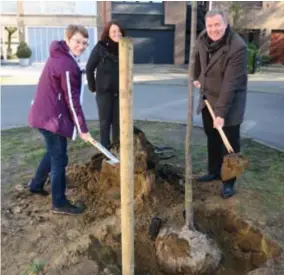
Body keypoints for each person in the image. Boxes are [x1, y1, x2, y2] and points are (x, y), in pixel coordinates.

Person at [28, 24, 94, 215]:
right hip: (51, 119)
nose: (81, 46)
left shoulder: (61, 56)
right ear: (68, 39)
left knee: (53, 152)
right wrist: (82, 128)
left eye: (84, 43)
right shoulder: (65, 64)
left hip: (45, 115)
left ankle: (36, 184)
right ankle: (59, 202)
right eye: (77, 41)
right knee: (59, 158)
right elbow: (71, 101)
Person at [193, 9, 248, 198]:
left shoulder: (237, 47)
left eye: (217, 25)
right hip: (208, 96)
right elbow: (198, 57)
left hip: (230, 101)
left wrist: (221, 113)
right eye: (210, 25)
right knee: (212, 136)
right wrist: (196, 76)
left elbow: (230, 84)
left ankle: (229, 181)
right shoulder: (203, 37)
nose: (213, 29)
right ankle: (214, 171)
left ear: (225, 24)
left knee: (230, 142)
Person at [86, 21, 125, 149]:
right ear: (108, 33)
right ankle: (106, 151)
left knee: (118, 123)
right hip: (104, 92)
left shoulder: (125, 47)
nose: (117, 33)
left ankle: (117, 148)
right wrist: (93, 88)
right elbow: (89, 68)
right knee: (105, 123)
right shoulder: (100, 48)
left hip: (120, 92)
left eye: (118, 31)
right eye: (113, 31)